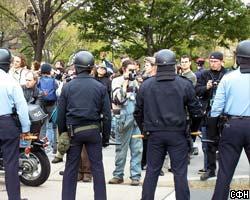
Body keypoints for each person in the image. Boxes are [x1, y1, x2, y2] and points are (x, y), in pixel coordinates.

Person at [134, 49, 203, 200]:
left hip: (155, 134)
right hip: (177, 133)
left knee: (152, 171)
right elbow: (196, 112)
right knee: (179, 173)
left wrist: (144, 130)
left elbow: (137, 112)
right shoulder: (183, 84)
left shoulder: (146, 85)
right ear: (174, 64)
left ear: (157, 65)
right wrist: (192, 131)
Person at [58, 50, 111, 200]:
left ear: (75, 67)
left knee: (70, 168)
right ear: (92, 67)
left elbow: (61, 114)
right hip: (93, 131)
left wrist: (63, 133)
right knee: (97, 168)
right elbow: (107, 115)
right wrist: (105, 137)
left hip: (74, 131)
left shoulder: (68, 87)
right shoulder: (100, 87)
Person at [211, 40, 250, 199]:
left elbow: (216, 108)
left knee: (225, 172)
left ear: (238, 58)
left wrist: (213, 133)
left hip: (231, 126)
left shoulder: (228, 78)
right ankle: (241, 196)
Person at [0, 48, 30, 200]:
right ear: (8, 65)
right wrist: (26, 128)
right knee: (11, 164)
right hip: (7, 124)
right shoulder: (11, 82)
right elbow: (22, 108)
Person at [108, 59, 143, 186]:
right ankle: (118, 175)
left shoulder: (138, 82)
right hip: (122, 119)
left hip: (135, 120)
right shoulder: (116, 81)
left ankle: (135, 176)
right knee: (121, 149)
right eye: (130, 70)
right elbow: (118, 99)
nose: (133, 73)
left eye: (134, 70)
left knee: (137, 149)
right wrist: (125, 82)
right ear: (124, 69)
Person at [195, 51, 228, 181]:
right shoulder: (204, 74)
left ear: (221, 61)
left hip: (225, 114)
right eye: (211, 61)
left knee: (226, 144)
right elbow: (196, 91)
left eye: (215, 61)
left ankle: (225, 171)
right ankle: (210, 169)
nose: (213, 64)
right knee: (208, 144)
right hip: (208, 113)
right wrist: (206, 87)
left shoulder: (227, 74)